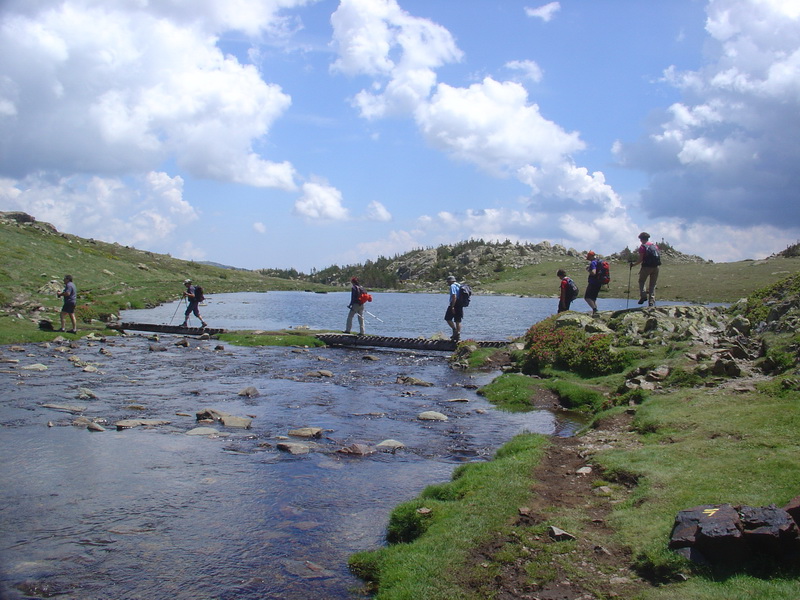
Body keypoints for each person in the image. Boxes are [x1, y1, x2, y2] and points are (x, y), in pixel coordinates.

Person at [631, 231, 660, 307]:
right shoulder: (655, 246)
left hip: (646, 267)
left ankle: (643, 295)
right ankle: (651, 301)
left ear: (641, 239)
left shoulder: (643, 247)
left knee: (641, 281)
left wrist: (633, 265)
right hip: (656, 267)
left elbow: (640, 259)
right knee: (652, 284)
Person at [444, 275, 463, 341]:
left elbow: (454, 296)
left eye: (448, 282)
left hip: (454, 303)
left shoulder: (453, 286)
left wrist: (452, 306)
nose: (448, 283)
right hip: (460, 304)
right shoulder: (459, 285)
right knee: (458, 320)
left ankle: (455, 331)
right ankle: (458, 335)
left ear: (450, 281)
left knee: (447, 318)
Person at [584, 251, 601, 316]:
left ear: (591, 256)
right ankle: (595, 312)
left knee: (587, 297)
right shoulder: (598, 261)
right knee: (593, 298)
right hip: (598, 283)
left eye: (588, 257)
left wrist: (588, 270)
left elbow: (594, 272)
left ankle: (595, 310)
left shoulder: (593, 263)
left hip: (593, 283)